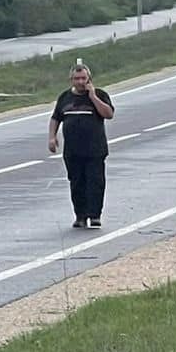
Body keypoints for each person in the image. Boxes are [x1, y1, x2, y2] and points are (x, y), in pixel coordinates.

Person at [48, 62, 115, 229]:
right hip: (72, 151)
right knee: (76, 183)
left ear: (89, 79)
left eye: (83, 78)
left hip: (95, 150)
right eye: (77, 79)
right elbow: (56, 117)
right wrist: (52, 137)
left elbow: (108, 114)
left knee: (95, 182)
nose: (80, 82)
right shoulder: (65, 98)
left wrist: (93, 97)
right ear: (71, 80)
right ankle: (80, 215)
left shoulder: (100, 94)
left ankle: (94, 215)